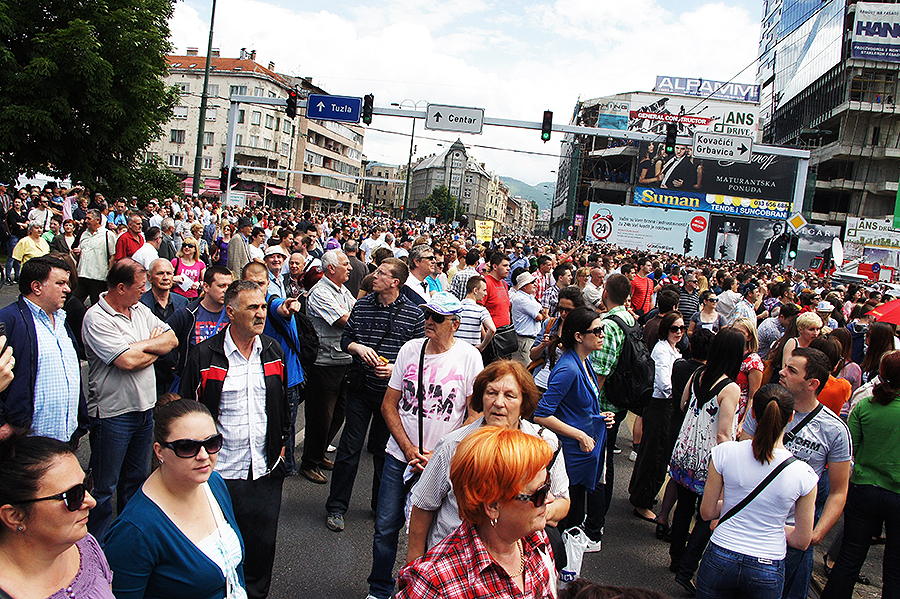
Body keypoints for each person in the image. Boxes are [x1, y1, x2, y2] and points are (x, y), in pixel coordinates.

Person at [366, 291, 483, 599]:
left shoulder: (469, 357)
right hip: (400, 457)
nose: (429, 321)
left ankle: (423, 589)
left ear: (455, 324)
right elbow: (389, 405)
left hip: (443, 462)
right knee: (385, 527)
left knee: (436, 531)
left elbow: (474, 414)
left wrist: (441, 452)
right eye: (427, 315)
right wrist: (408, 449)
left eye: (437, 317)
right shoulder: (410, 350)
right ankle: (379, 589)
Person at [179, 280, 289, 599]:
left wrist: (281, 447)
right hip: (220, 475)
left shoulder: (272, 350)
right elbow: (187, 415)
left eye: (263, 306)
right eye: (252, 307)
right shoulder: (204, 355)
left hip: (264, 472)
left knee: (261, 550)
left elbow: (282, 403)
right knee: (218, 551)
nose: (261, 313)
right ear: (230, 312)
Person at [407, 360, 570, 564]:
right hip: (454, 559)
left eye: (509, 396)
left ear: (524, 402)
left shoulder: (545, 443)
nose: (498, 403)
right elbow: (423, 504)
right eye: (491, 393)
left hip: (518, 558)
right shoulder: (453, 445)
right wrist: (414, 561)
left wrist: (531, 513)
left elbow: (563, 501)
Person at [104, 398, 247, 599]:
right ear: (159, 451)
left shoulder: (213, 483)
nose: (203, 455)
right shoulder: (135, 530)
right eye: (187, 447)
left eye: (211, 443)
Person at [395, 427, 557, 599]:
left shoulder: (535, 539)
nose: (550, 498)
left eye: (548, 484)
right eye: (539, 493)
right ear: (493, 506)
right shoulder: (435, 585)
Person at [741, 347, 851, 599]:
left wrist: (817, 533)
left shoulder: (834, 430)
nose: (782, 372)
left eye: (791, 370)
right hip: (750, 524)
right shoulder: (764, 406)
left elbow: (839, 490)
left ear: (812, 384)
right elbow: (742, 456)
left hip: (791, 536)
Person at [324, 258, 425, 532]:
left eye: (381, 273)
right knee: (349, 449)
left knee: (384, 452)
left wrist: (394, 369)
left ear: (395, 282)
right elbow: (346, 339)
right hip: (360, 389)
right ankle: (336, 507)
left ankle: (380, 506)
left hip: (391, 397)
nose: (374, 275)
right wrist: (357, 348)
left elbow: (419, 356)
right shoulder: (362, 306)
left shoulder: (413, 314)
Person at [82, 259, 178, 539]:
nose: (144, 291)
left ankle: (126, 541)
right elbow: (126, 361)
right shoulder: (96, 318)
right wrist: (152, 349)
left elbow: (171, 339)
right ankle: (96, 545)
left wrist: (140, 347)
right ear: (121, 288)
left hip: (145, 411)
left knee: (136, 482)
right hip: (113, 415)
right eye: (139, 287)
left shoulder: (139, 309)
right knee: (104, 487)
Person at [696, 384, 818, 599]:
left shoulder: (724, 453)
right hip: (768, 563)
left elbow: (706, 512)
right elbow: (802, 540)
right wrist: (771, 524)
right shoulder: (804, 474)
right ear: (791, 417)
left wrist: (733, 508)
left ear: (752, 413)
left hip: (721, 553)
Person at [668, 328, 744, 595]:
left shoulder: (698, 373)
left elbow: (683, 404)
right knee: (707, 513)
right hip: (709, 459)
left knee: (684, 506)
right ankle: (687, 567)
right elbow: (724, 433)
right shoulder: (730, 388)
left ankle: (676, 558)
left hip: (685, 449)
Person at [821, 350, 900, 598]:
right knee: (895, 570)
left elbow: (849, 447)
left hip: (863, 488)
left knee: (849, 557)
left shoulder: (866, 405)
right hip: (897, 494)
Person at [535, 307, 614, 552]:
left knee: (574, 517)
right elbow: (542, 414)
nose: (602, 335)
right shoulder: (568, 368)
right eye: (597, 331)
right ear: (579, 336)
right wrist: (580, 434)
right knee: (565, 521)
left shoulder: (584, 361)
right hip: (570, 456)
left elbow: (577, 405)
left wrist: (598, 417)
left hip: (582, 455)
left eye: (602, 329)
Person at [0, 432, 114, 598]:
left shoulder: (85, 546)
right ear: (15, 516)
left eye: (86, 484)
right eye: (73, 496)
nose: (91, 502)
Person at [0, 255, 85, 443]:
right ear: (37, 287)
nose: (67, 289)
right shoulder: (7, 320)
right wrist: (2, 424)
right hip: (30, 443)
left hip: (66, 437)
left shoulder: (62, 319)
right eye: (60, 283)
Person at [301, 249, 356, 484]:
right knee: (320, 416)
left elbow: (355, 312)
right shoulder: (320, 292)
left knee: (338, 413)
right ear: (331, 268)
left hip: (343, 360)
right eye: (345, 264)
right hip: (325, 362)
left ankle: (320, 452)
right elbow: (345, 320)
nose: (350, 267)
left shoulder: (342, 290)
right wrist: (356, 318)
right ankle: (309, 462)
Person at [629, 311, 685, 522]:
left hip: (665, 406)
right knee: (654, 455)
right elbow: (663, 383)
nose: (678, 332)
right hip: (660, 406)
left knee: (654, 453)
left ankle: (641, 493)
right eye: (674, 328)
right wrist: (681, 396)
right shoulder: (662, 350)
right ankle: (642, 501)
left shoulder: (672, 349)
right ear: (665, 330)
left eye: (681, 328)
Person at [167, 265, 234, 388]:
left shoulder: (233, 315)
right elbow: (165, 339)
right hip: (192, 381)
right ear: (206, 287)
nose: (226, 290)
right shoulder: (187, 314)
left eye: (229, 286)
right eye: (221, 286)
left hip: (226, 380)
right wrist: (175, 364)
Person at [74, 209, 117, 306]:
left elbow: (113, 255)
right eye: (86, 218)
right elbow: (80, 249)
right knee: (74, 302)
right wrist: (77, 252)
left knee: (96, 305)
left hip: (98, 277)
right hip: (82, 274)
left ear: (97, 220)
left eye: (89, 219)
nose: (86, 221)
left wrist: (109, 273)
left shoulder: (107, 235)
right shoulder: (84, 234)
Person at [511, 271, 548, 365]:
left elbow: (542, 311)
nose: (535, 284)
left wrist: (541, 312)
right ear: (524, 286)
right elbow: (539, 317)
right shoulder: (521, 299)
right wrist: (541, 312)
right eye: (532, 282)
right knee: (524, 369)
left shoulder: (530, 297)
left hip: (531, 340)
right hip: (525, 341)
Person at [733, 316, 764, 423]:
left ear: (749, 337)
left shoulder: (753, 361)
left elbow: (753, 396)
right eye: (734, 331)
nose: (736, 335)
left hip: (739, 411)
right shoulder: (729, 354)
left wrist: (743, 423)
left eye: (740, 333)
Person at [454, 275, 496, 352]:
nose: (486, 293)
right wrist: (482, 346)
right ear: (475, 290)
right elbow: (492, 329)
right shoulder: (481, 310)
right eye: (484, 290)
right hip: (472, 351)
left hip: (456, 350)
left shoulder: (455, 308)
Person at [171, 235, 205, 300]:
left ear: (195, 249)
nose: (186, 247)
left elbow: (205, 282)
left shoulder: (200, 264)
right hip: (177, 295)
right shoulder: (175, 261)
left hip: (193, 297)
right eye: (184, 245)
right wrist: (174, 278)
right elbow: (167, 277)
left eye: (190, 246)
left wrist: (199, 284)